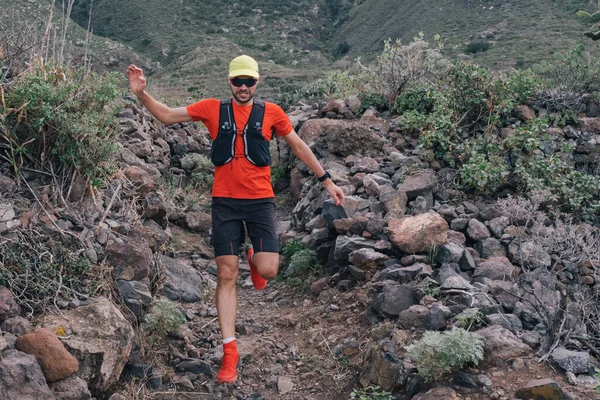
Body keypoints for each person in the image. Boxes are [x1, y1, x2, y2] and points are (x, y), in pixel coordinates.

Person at [126, 55, 345, 383]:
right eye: (237, 81)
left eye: (249, 81)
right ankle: (230, 352)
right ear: (229, 81)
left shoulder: (271, 113)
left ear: (258, 82)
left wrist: (326, 179)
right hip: (225, 203)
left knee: (269, 269)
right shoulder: (212, 108)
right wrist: (142, 94)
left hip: (260, 202)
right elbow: (168, 116)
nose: (243, 87)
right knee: (226, 274)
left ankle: (254, 257)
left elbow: (298, 145)